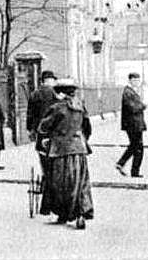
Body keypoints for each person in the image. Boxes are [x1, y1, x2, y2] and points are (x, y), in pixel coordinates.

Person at [37, 78, 93, 229]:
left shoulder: (57, 108)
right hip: (78, 149)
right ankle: (81, 212)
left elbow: (43, 127)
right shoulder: (80, 107)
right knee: (80, 182)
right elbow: (87, 128)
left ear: (61, 93)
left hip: (60, 150)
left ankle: (63, 213)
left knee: (60, 183)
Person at [27, 70, 58, 176]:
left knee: (43, 155)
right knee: (54, 156)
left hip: (40, 131)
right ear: (50, 80)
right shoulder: (56, 94)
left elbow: (30, 114)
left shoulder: (35, 94)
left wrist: (30, 129)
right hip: (54, 130)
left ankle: (46, 178)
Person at [116, 72, 146, 177]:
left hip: (135, 124)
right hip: (133, 124)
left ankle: (122, 164)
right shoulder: (128, 92)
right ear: (130, 80)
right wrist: (143, 105)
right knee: (138, 147)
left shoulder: (131, 91)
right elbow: (132, 107)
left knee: (134, 146)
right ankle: (133, 170)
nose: (138, 82)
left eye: (138, 80)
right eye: (136, 80)